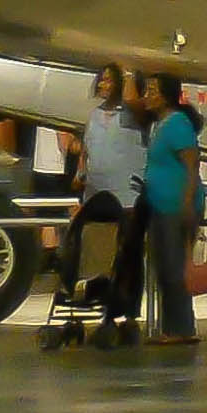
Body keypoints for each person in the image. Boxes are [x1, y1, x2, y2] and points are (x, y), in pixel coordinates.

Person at [57, 64, 147, 303]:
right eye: (101, 80)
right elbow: (88, 148)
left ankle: (126, 304)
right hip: (97, 196)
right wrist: (81, 173)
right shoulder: (94, 115)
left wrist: (127, 71)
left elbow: (130, 99)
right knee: (94, 246)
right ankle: (96, 289)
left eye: (109, 80)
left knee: (127, 252)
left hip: (128, 196)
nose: (103, 85)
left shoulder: (133, 114)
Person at [139, 73, 203, 346]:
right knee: (164, 267)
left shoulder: (178, 123)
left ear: (165, 94)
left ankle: (182, 328)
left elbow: (191, 165)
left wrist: (187, 203)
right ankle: (171, 327)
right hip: (159, 205)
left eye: (151, 90)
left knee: (175, 268)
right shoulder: (158, 125)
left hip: (176, 206)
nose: (146, 95)